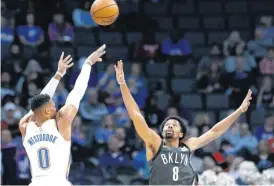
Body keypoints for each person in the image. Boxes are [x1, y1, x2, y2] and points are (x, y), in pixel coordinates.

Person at [114, 60, 252, 185]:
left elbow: (215, 131)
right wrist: (123, 85)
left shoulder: (188, 146)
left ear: (181, 134)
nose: (169, 125)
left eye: (174, 125)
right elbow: (137, 116)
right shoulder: (155, 143)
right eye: (167, 124)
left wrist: (239, 110)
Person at [18, 45, 106, 186]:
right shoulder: (61, 122)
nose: (55, 107)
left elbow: (39, 103)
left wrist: (59, 74)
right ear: (47, 110)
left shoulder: (25, 126)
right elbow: (77, 92)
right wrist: (88, 64)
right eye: (52, 105)